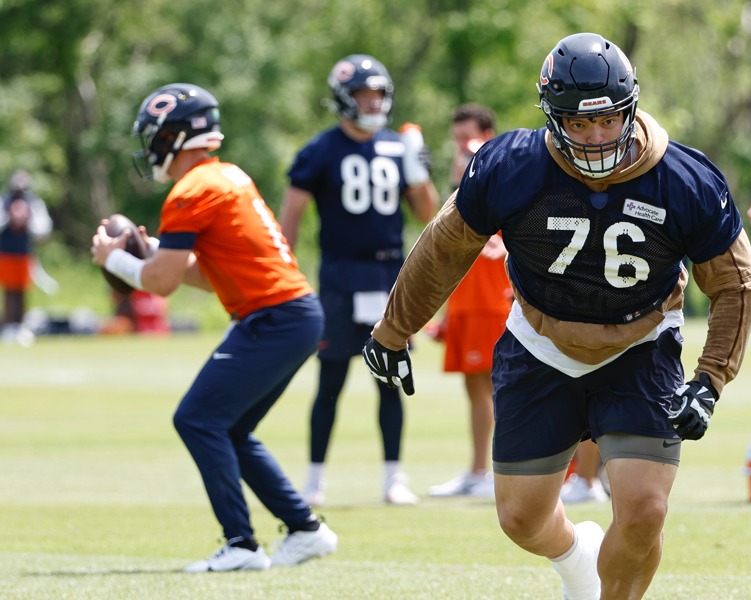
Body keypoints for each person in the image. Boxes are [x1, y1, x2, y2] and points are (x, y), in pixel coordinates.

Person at [362, 32, 751, 599]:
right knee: (521, 519)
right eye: (578, 123)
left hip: (640, 344)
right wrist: (394, 330)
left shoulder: (683, 178)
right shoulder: (511, 164)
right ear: (552, 117)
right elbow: (444, 247)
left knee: (645, 510)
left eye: (606, 121)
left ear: (630, 109)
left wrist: (710, 378)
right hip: (539, 342)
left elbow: (736, 283)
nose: (595, 137)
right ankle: (576, 556)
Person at [90, 83, 337, 572]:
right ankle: (306, 530)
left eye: (154, 136)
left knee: (197, 418)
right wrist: (160, 249)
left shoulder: (192, 188)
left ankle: (242, 544)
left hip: (274, 317)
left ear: (173, 137)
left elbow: (159, 283)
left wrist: (115, 259)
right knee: (233, 428)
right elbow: (206, 273)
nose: (150, 148)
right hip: (291, 313)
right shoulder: (226, 177)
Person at [279, 54, 439, 507]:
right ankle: (314, 480)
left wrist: (419, 170)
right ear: (344, 100)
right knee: (329, 379)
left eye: (377, 94)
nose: (372, 102)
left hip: (389, 275)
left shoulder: (396, 146)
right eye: (363, 95)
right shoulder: (320, 150)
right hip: (340, 273)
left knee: (390, 378)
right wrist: (284, 271)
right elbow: (289, 218)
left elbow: (429, 214)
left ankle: (394, 477)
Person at [427, 103, 512, 499]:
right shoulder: (464, 178)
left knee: (494, 391)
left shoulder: (502, 175)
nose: (462, 146)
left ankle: (494, 473)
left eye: (469, 138)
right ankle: (478, 471)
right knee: (474, 391)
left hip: (491, 302)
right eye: (458, 139)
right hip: (465, 302)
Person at [0, 170, 53, 346]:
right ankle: (8, 326)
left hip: (24, 254)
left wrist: (26, 219)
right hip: (5, 253)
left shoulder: (34, 204)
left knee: (22, 291)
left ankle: (20, 326)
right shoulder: (3, 202)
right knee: (9, 291)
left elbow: (43, 230)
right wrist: (10, 217)